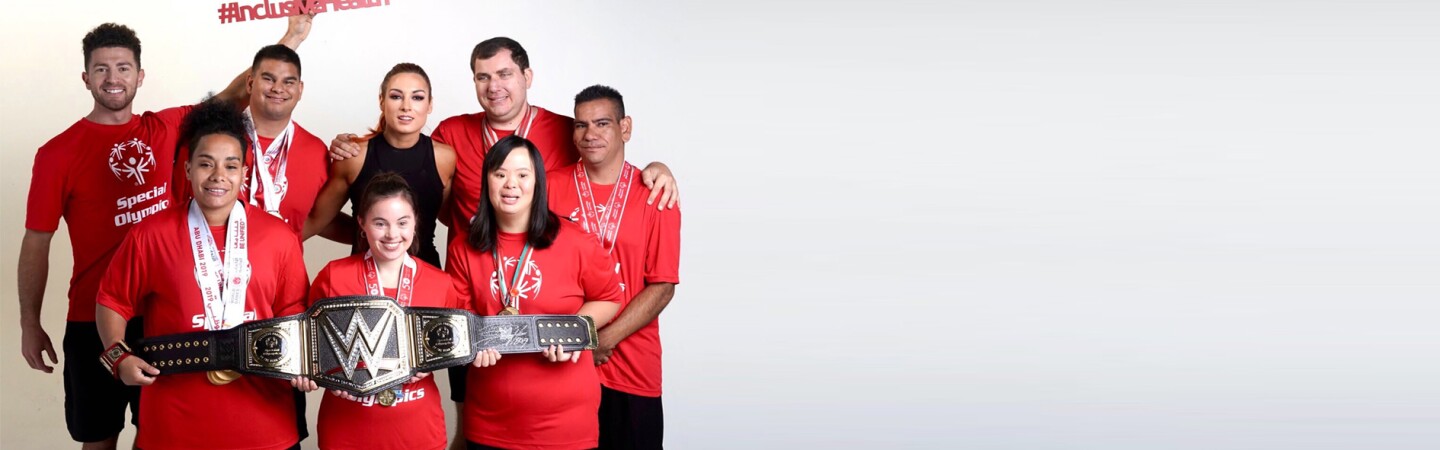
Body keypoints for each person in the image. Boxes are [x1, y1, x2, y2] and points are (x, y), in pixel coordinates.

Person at [328, 39, 679, 444]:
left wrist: (657, 167)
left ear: (527, 77)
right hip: (488, 378)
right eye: (483, 76)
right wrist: (354, 144)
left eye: (505, 74)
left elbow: (605, 144)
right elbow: (408, 153)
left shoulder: (568, 134)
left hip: (592, 376)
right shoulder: (452, 139)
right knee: (463, 427)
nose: (494, 85)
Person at [18, 18, 311, 450]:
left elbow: (237, 94)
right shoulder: (57, 153)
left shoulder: (169, 128)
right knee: (98, 438)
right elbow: (36, 242)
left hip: (167, 314)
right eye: (101, 69)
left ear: (140, 75)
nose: (113, 78)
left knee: (159, 430)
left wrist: (292, 40)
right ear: (85, 78)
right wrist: (29, 321)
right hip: (95, 312)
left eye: (123, 67)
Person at [94, 100, 312, 450]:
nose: (217, 176)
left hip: (264, 421)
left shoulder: (279, 237)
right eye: (205, 164)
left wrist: (305, 359)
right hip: (174, 424)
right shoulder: (150, 234)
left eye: (230, 165)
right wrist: (117, 357)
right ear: (186, 170)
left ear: (243, 173)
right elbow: (112, 301)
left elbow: (292, 310)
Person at [448, 136, 623, 449]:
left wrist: (572, 331)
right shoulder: (464, 246)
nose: (510, 184)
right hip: (489, 420)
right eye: (500, 174)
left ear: (538, 182)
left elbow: (610, 297)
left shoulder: (575, 240)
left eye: (522, 175)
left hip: (566, 423)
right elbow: (461, 317)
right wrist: (471, 345)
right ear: (486, 180)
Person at [547, 85, 680, 450]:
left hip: (633, 369)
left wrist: (605, 339)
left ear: (626, 128)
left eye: (602, 123)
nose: (589, 134)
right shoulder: (549, 187)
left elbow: (663, 285)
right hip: (564, 363)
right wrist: (583, 342)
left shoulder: (657, 194)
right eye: (580, 125)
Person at [308, 173, 460, 450]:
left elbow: (454, 347)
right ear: (362, 225)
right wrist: (327, 377)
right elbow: (308, 348)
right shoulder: (333, 276)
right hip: (347, 427)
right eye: (380, 223)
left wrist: (433, 362)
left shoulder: (441, 284)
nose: (392, 234)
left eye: (402, 223)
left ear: (415, 223)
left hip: (417, 430)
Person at [171, 44, 331, 238]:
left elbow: (317, 218)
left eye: (288, 82)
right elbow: (176, 208)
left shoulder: (317, 152)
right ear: (249, 83)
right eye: (268, 79)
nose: (278, 88)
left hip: (281, 267)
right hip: (204, 264)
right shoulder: (209, 141)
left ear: (300, 89)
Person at [304, 63, 456, 267]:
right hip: (363, 278)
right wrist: (373, 236)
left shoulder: (444, 158)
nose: (406, 106)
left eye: (417, 97)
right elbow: (316, 221)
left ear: (429, 105)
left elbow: (452, 219)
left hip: (425, 278)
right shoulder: (354, 156)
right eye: (396, 96)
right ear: (381, 101)